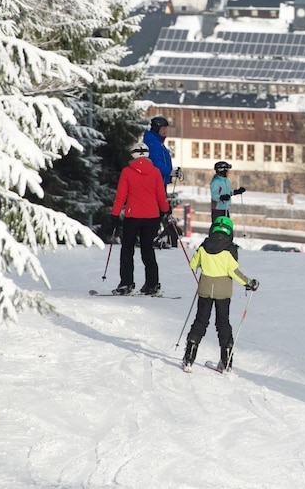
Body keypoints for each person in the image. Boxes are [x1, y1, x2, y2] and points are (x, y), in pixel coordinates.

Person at [183, 216, 260, 373]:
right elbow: (234, 272)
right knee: (223, 323)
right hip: (223, 293)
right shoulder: (229, 250)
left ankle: (189, 358)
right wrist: (249, 283)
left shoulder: (204, 246)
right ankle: (226, 362)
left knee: (200, 321)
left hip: (204, 290)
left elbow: (193, 264)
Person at [110, 142, 171, 296]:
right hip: (152, 216)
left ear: (133, 155)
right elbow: (161, 196)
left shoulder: (127, 172)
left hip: (133, 215)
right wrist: (166, 210)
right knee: (148, 249)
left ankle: (126, 284)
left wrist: (115, 214)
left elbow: (121, 197)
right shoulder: (155, 172)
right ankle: (152, 285)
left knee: (127, 250)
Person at [143, 115, 177, 187]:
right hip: (157, 181)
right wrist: (169, 172)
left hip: (160, 179)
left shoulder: (157, 141)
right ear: (156, 129)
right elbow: (155, 162)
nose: (165, 131)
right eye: (163, 129)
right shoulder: (154, 143)